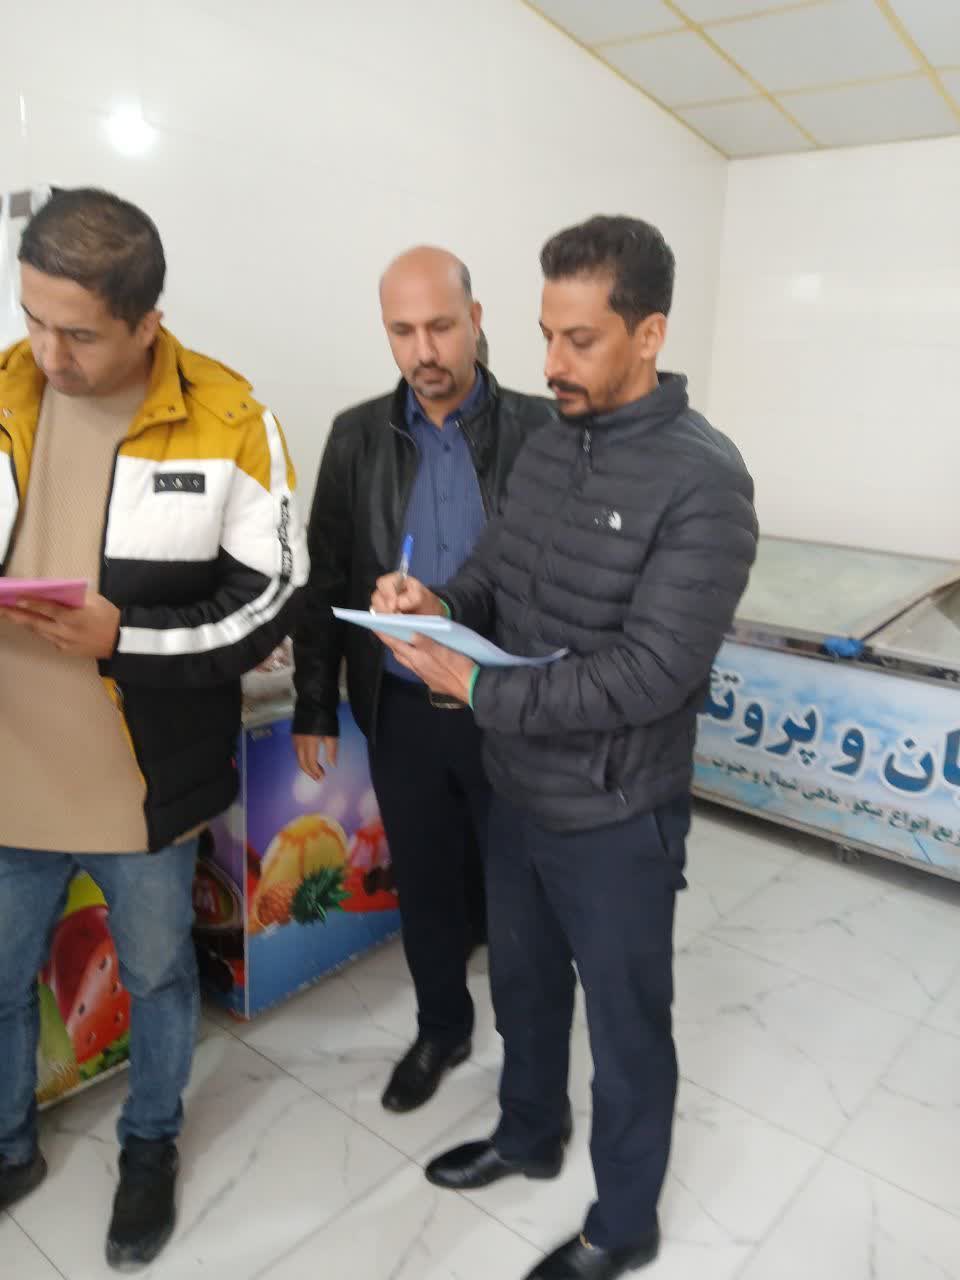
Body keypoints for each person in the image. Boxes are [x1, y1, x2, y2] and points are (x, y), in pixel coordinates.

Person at [370, 216, 758, 1280]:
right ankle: (529, 1132)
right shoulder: (549, 443)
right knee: (526, 987)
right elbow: (496, 576)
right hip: (519, 788)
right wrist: (437, 602)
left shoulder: (704, 482)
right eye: (546, 334)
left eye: (580, 340)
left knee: (628, 1029)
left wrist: (479, 687)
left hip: (617, 813)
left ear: (650, 333)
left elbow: (651, 671)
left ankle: (624, 1222)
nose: (551, 362)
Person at [0, 188, 307, 1269]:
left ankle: (150, 1143)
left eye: (79, 333)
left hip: (142, 785)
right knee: (1, 977)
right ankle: (8, 1146)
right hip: (9, 773)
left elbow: (271, 595)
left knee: (161, 976)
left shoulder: (230, 419)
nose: (49, 353)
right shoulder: (5, 387)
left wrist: (122, 635)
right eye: (33, 319)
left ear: (146, 321)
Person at [292, 246, 553, 1113]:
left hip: (506, 708)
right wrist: (314, 704)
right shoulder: (357, 436)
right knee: (427, 882)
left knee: (520, 895)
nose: (424, 350)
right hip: (400, 709)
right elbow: (326, 576)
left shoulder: (542, 432)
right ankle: (442, 1026)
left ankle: (531, 1056)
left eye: (440, 326)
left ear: (476, 320)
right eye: (402, 331)